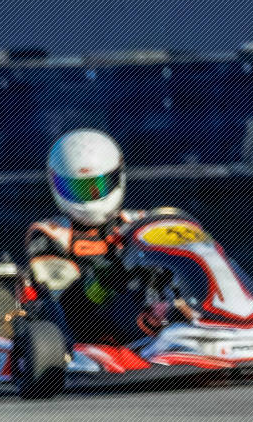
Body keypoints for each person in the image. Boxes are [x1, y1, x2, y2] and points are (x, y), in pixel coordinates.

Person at [22, 129, 155, 346]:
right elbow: (61, 301)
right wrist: (111, 275)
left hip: (147, 313)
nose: (90, 199)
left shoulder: (141, 222)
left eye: (98, 186)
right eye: (78, 189)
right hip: (85, 333)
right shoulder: (50, 233)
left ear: (117, 177)